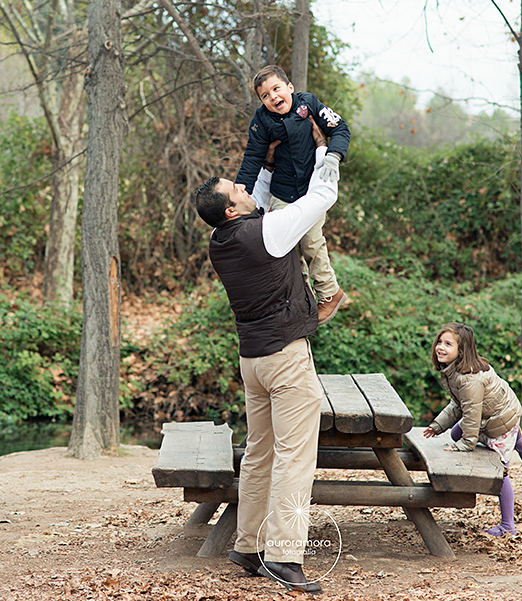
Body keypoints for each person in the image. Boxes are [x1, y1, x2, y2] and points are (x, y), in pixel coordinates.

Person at [195, 119, 335, 594]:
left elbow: (252, 192)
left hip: (251, 361)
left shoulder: (221, 241)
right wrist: (326, 155)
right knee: (295, 457)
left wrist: (268, 166)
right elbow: (320, 200)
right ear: (232, 210)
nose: (242, 183)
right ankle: (284, 558)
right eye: (235, 188)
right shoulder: (269, 232)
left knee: (259, 454)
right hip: (285, 358)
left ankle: (248, 546)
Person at [235, 65, 350, 327]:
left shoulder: (308, 104)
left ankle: (330, 292)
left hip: (311, 191)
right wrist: (241, 190)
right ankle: (303, 302)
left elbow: (340, 128)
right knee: (285, 249)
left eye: (276, 89)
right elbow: (252, 157)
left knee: (310, 241)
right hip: (282, 194)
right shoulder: (261, 120)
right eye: (265, 95)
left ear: (289, 88)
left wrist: (334, 155)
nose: (273, 97)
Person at [422, 322, 522, 537]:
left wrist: (466, 445)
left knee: (500, 472)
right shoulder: (455, 372)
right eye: (440, 342)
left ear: (461, 351)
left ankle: (508, 525)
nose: (440, 347)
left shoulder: (470, 379)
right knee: (454, 434)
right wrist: (438, 425)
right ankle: (512, 439)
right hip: (486, 417)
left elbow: (471, 413)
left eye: (448, 344)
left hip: (502, 420)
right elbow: (457, 405)